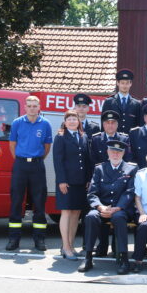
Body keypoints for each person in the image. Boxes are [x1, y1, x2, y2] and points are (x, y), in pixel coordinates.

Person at [78, 140, 138, 274]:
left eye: (119, 152)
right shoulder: (100, 168)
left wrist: (118, 208)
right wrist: (100, 207)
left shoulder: (131, 168)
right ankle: (88, 257)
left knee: (118, 218)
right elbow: (92, 193)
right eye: (113, 151)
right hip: (102, 207)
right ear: (108, 152)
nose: (115, 154)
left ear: (123, 153)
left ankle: (124, 259)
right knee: (90, 217)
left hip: (120, 209)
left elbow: (130, 192)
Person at [6, 95, 53, 251]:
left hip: (37, 166)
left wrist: (35, 159)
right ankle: (14, 239)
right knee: (16, 202)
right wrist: (22, 159)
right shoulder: (17, 123)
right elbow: (12, 145)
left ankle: (39, 240)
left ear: (39, 108)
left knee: (39, 203)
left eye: (35, 106)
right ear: (25, 107)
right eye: (29, 106)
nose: (32, 108)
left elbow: (47, 147)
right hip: (20, 165)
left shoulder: (45, 124)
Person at [88, 110, 130, 256]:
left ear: (117, 124)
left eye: (113, 123)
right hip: (101, 180)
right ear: (103, 124)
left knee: (117, 216)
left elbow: (128, 162)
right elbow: (92, 161)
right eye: (107, 122)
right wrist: (91, 180)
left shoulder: (124, 138)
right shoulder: (95, 139)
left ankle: (116, 246)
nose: (110, 125)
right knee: (99, 214)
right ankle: (102, 245)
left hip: (119, 182)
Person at [52, 109, 91, 260]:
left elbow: (87, 160)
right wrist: (61, 180)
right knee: (66, 212)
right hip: (66, 182)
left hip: (80, 182)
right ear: (65, 122)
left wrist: (88, 179)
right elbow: (58, 161)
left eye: (75, 119)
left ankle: (71, 245)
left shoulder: (83, 135)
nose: (72, 121)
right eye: (69, 119)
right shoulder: (61, 137)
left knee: (76, 214)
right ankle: (65, 247)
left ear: (79, 121)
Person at [101, 69, 142, 134]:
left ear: (131, 84)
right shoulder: (109, 102)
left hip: (130, 140)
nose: (124, 86)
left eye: (127, 83)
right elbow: (103, 123)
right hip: (113, 139)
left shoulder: (137, 104)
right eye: (122, 83)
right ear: (118, 83)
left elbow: (139, 125)